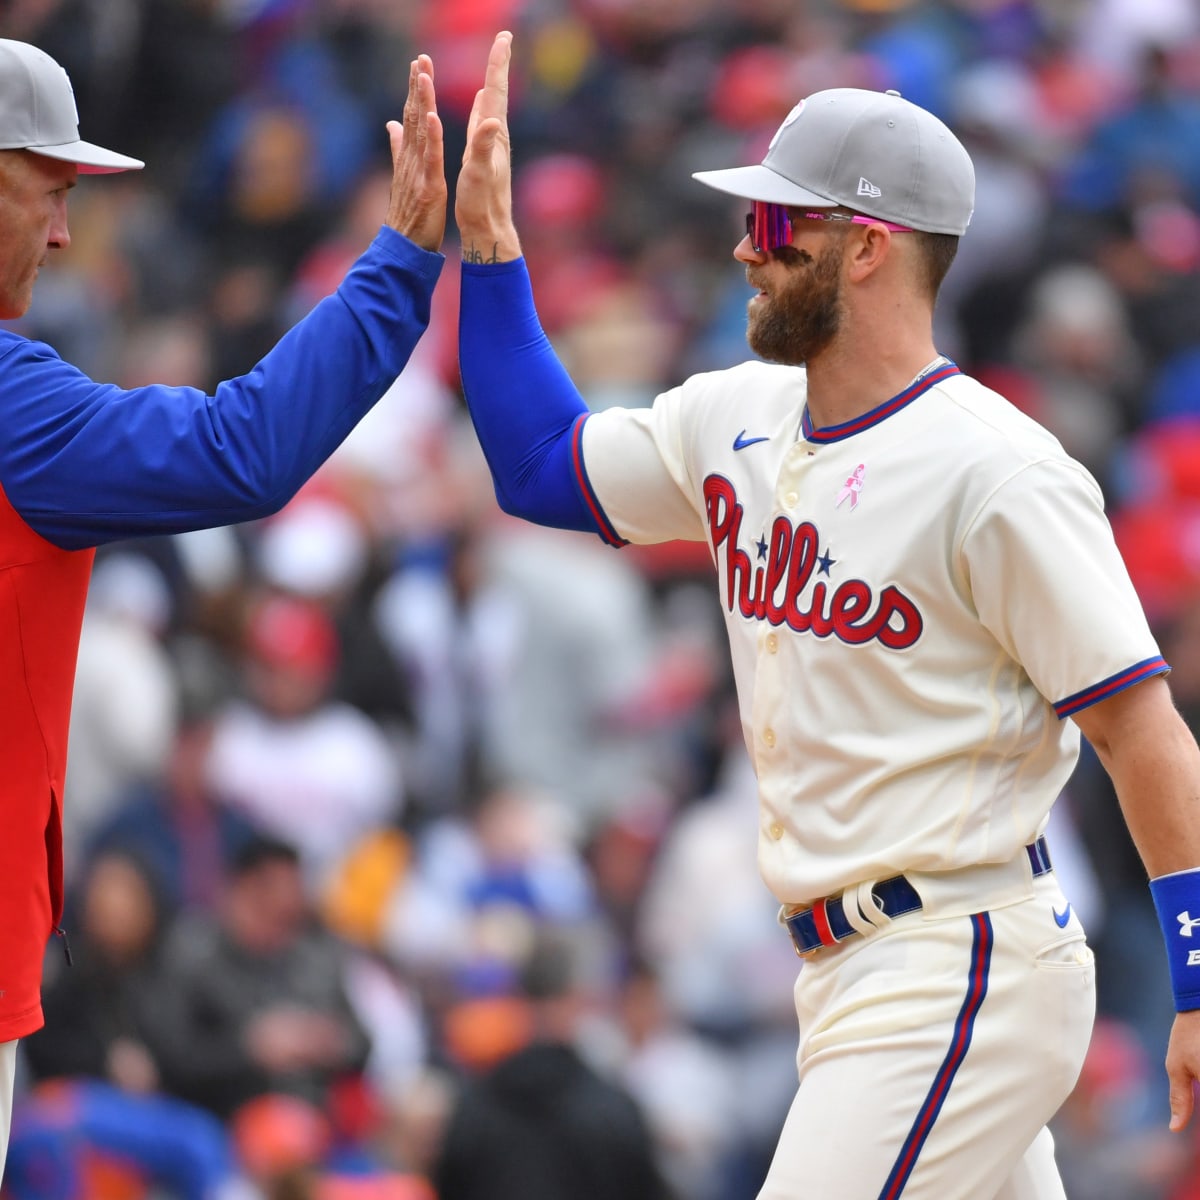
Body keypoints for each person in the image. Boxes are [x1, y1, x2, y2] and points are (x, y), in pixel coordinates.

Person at [451, 31, 1200, 1199]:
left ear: (868, 250)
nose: (748, 250)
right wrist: (493, 255)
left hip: (959, 954)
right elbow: (539, 464)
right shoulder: (733, 416)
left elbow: (1142, 732)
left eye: (776, 225)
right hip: (847, 974)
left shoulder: (998, 472)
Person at [0, 34, 446, 1178]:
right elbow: (242, 452)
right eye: (44, 191)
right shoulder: (16, 408)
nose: (61, 232)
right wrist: (398, 261)